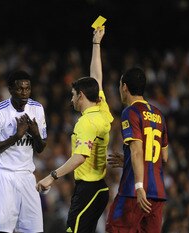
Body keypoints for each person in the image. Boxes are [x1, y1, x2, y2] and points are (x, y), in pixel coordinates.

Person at [36, 27, 114, 233]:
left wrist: (51, 176)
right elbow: (96, 78)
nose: (71, 99)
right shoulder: (102, 109)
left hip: (88, 189)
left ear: (80, 95)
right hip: (98, 187)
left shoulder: (86, 123)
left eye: (73, 95)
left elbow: (80, 157)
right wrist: (96, 44)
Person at [0, 70, 47, 233]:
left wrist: (36, 134)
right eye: (20, 89)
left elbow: (40, 148)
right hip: (4, 176)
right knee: (2, 230)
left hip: (27, 176)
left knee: (35, 230)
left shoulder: (37, 109)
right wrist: (16, 136)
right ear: (10, 90)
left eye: (27, 88)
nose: (24, 93)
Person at [105, 67, 169, 233]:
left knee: (115, 229)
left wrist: (139, 186)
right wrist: (128, 161)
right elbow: (164, 157)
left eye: (119, 85)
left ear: (124, 87)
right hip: (157, 194)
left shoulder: (131, 112)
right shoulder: (159, 114)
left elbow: (137, 151)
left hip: (133, 192)